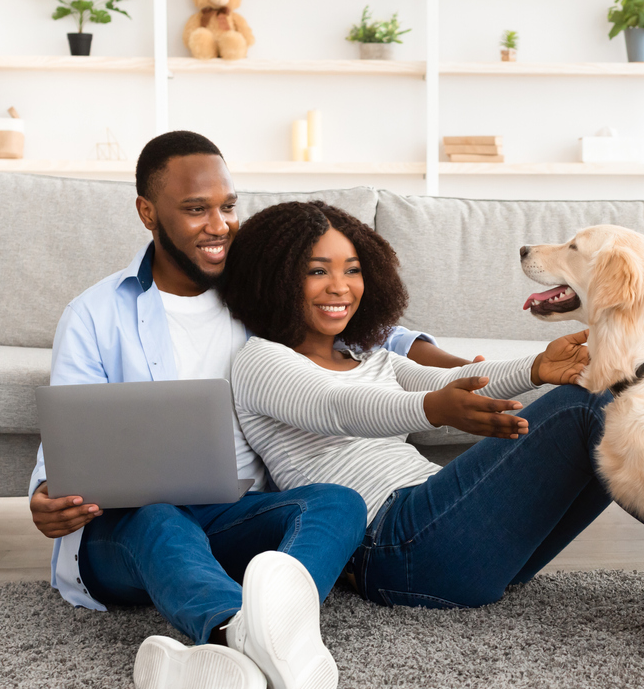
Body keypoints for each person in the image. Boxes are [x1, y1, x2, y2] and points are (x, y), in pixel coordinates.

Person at [27, 131, 473, 689]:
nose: (220, 225)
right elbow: (69, 435)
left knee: (336, 504)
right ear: (147, 212)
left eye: (228, 206)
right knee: (159, 519)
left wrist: (442, 363)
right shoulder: (96, 313)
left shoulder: (256, 290)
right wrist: (43, 497)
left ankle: (240, 657)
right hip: (127, 531)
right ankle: (236, 632)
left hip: (238, 513)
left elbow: (354, 314)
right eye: (195, 209)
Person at [220, 200, 615, 611]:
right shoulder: (260, 359)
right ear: (275, 279)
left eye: (352, 270)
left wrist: (536, 367)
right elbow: (340, 406)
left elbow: (448, 382)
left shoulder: (369, 355)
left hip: (438, 526)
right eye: (318, 271)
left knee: (607, 404)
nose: (340, 287)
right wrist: (433, 409)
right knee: (582, 409)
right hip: (393, 544)